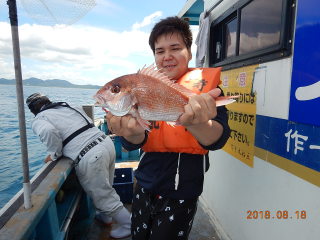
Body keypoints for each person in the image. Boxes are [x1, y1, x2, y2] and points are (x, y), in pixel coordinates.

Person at [106, 16, 230, 240]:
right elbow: (135, 141)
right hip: (144, 183)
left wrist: (197, 122)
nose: (167, 56)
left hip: (183, 189)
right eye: (159, 51)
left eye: (176, 48)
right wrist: (131, 133)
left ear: (189, 52)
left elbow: (219, 137)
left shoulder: (203, 90)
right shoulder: (143, 86)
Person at [26, 93, 131, 239]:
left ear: (32, 111)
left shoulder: (39, 119)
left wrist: (54, 154)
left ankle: (129, 225)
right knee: (107, 184)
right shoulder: (67, 105)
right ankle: (105, 216)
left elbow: (48, 131)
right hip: (105, 142)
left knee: (103, 195)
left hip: (90, 155)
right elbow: (88, 121)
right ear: (49, 101)